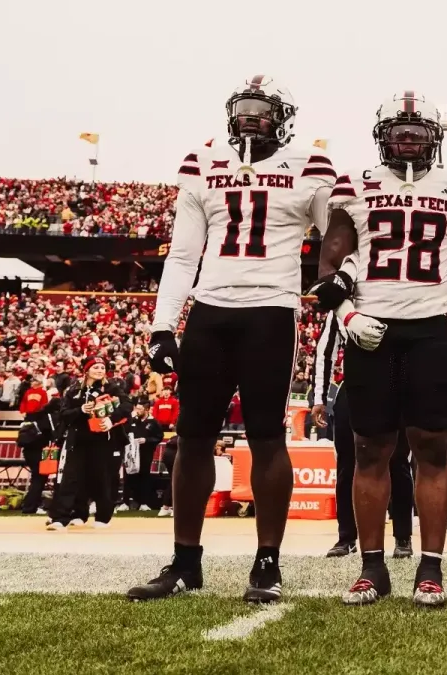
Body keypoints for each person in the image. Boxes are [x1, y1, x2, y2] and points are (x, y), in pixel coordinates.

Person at [128, 75, 336, 604]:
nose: (250, 117)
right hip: (210, 308)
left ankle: (267, 561)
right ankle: (185, 559)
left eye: (261, 110)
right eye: (243, 107)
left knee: (267, 436)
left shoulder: (309, 166)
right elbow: (181, 255)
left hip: (271, 309)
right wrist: (162, 324)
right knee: (193, 436)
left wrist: (342, 280)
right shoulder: (203, 164)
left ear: (282, 120)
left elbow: (338, 238)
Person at [316, 91, 447, 608]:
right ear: (382, 137)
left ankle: (430, 569)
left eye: (417, 131)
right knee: (370, 452)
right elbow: (329, 268)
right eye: (398, 131)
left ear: (435, 139)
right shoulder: (356, 186)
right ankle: (372, 567)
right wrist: (348, 316)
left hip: (430, 326)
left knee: (433, 451)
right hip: (372, 329)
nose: (407, 139)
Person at [310, 312, 414, 560]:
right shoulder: (342, 307)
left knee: (398, 461)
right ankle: (347, 536)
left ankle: (403, 536)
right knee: (347, 463)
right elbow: (326, 352)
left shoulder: (395, 298)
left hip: (397, 383)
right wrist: (319, 398)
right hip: (355, 384)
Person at [47, 358, 131, 530]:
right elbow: (63, 414)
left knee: (103, 478)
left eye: (102, 367)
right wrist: (80, 410)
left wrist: (111, 419)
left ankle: (103, 516)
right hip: (78, 440)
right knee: (71, 478)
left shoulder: (112, 388)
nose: (100, 370)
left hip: (104, 440)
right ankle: (64, 517)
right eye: (96, 367)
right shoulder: (74, 389)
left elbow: (127, 406)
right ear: (86, 370)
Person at [125, 403, 164, 511]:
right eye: (136, 408)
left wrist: (147, 440)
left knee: (144, 476)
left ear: (146, 410)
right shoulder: (133, 421)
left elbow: (159, 437)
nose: (137, 411)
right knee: (129, 476)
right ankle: (127, 502)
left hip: (146, 453)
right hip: (132, 453)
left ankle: (144, 502)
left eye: (140, 409)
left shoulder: (153, 423)